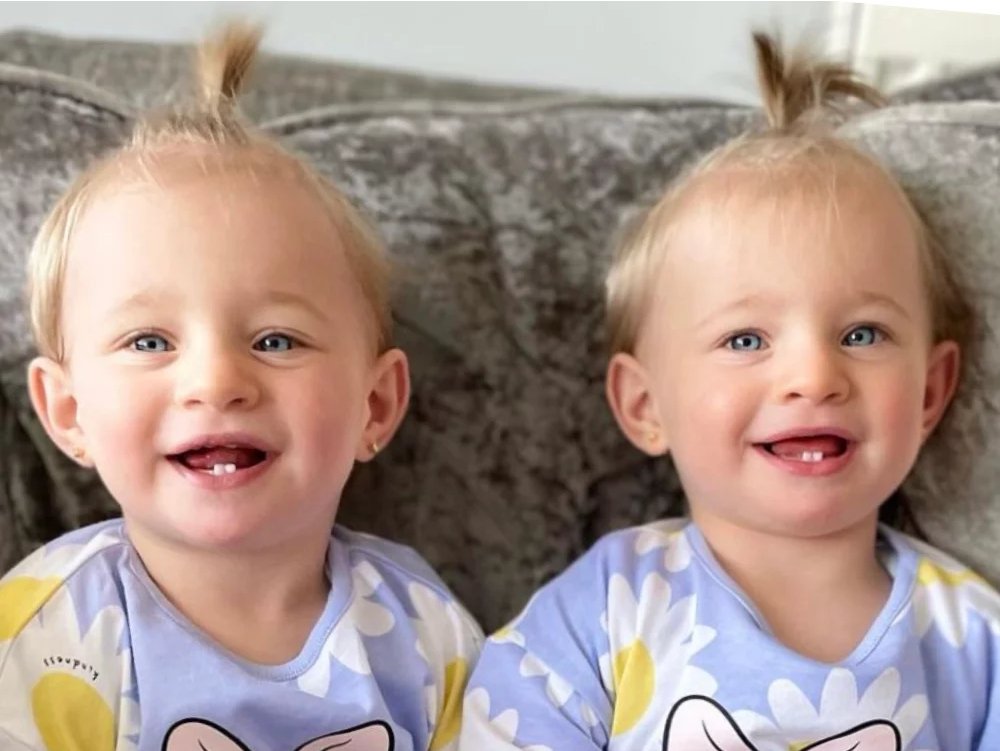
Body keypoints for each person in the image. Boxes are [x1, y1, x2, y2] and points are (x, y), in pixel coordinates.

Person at [461, 33, 1000, 750]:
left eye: (863, 333)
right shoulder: (605, 613)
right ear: (645, 406)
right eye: (746, 340)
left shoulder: (973, 638)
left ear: (930, 391)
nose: (814, 377)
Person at [0, 22, 480, 751]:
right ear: (68, 412)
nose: (216, 382)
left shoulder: (423, 630)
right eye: (150, 342)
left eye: (276, 340)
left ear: (375, 404)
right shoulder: (42, 638)